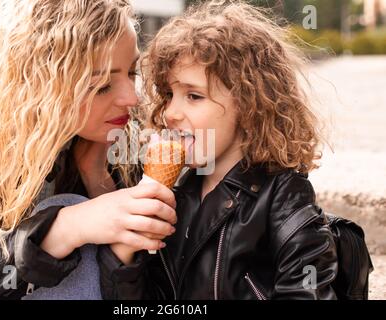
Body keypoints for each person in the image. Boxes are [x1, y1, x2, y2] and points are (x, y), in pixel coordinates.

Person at [98, 0, 339, 300]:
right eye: (170, 94)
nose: (170, 112)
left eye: (194, 96)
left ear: (250, 104)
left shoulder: (283, 196)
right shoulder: (176, 195)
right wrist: (128, 253)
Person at [0, 0, 176, 300]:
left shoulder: (124, 131)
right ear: (41, 85)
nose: (132, 98)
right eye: (101, 85)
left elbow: (142, 292)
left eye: (132, 72)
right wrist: (65, 227)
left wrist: (97, 181)